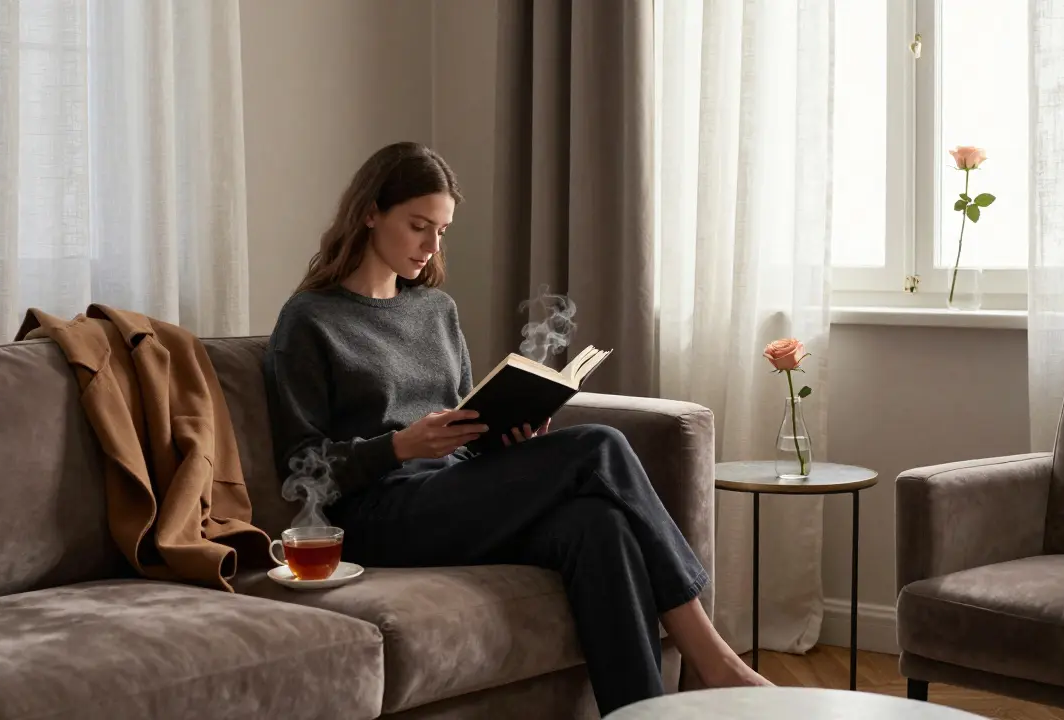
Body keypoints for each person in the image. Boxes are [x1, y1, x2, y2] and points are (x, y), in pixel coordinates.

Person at [263, 141, 772, 715]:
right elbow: (301, 470)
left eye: (442, 232)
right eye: (418, 227)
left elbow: (461, 420)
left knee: (595, 523)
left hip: (451, 494)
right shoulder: (309, 319)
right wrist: (399, 446)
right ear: (370, 212)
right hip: (380, 515)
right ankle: (713, 659)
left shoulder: (435, 310)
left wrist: (505, 440)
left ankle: (639, 714)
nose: (431, 248)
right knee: (599, 444)